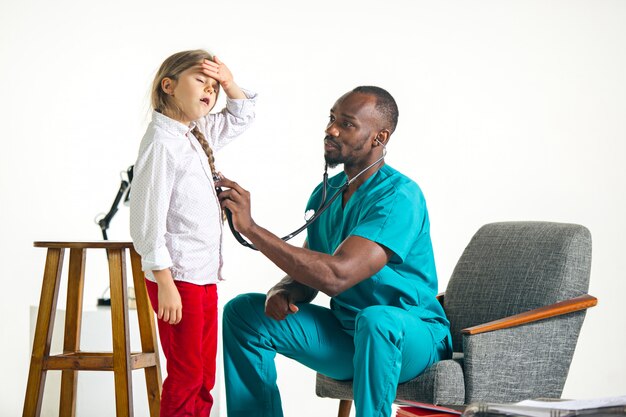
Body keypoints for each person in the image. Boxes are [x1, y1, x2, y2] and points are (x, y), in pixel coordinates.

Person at [216, 86, 452, 417]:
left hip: (411, 337)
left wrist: (252, 230)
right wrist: (284, 289)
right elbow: (310, 271)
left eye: (347, 123)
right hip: (349, 334)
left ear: (378, 138)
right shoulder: (325, 195)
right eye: (330, 118)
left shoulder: (400, 197)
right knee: (244, 313)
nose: (331, 130)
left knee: (377, 320)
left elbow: (337, 275)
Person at [129, 49, 256, 417]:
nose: (211, 90)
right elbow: (146, 220)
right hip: (178, 277)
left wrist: (229, 81)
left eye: (215, 86)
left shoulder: (194, 134)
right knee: (185, 375)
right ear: (168, 86)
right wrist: (164, 281)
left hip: (203, 275)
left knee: (203, 374)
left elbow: (242, 115)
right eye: (202, 80)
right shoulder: (162, 144)